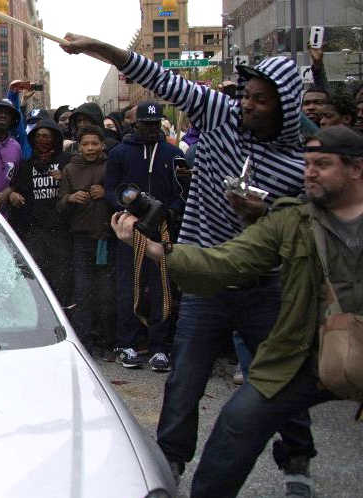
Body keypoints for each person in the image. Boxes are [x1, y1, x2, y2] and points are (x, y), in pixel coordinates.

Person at [60, 33, 317, 492]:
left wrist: (269, 212)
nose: (249, 106)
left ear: (286, 105)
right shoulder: (218, 114)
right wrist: (94, 47)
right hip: (203, 281)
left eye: (261, 99)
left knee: (283, 380)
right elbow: (153, 73)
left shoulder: (301, 163)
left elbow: (309, 226)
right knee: (184, 380)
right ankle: (171, 463)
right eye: (246, 96)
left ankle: (297, 462)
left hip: (266, 287)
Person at [111, 125, 363, 498]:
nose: (309, 172)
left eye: (322, 164)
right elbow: (224, 262)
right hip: (303, 355)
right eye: (307, 163)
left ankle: (298, 463)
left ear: (356, 168)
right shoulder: (291, 221)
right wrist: (147, 247)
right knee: (236, 425)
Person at [103, 100, 184, 371]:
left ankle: (160, 347)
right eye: (144, 124)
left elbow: (181, 194)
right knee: (129, 286)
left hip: (161, 231)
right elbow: (110, 190)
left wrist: (168, 213)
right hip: (130, 230)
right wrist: (126, 210)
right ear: (134, 124)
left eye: (154, 124)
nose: (149, 130)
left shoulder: (172, 154)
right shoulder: (119, 153)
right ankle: (127, 343)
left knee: (162, 287)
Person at [56, 126, 116, 355]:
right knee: (83, 291)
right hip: (81, 239)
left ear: (102, 145)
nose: (90, 148)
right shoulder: (70, 169)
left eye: (95, 143)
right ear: (78, 146)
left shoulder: (110, 166)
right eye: (85, 144)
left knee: (107, 292)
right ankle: (85, 341)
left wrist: (106, 193)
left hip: (106, 237)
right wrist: (71, 198)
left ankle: (107, 341)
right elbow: (59, 204)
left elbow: (122, 195)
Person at [7, 117, 72, 305]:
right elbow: (16, 188)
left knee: (61, 275)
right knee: (37, 274)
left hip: (61, 230)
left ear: (55, 139)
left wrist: (64, 179)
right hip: (35, 231)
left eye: (47, 136)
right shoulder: (26, 165)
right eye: (39, 136)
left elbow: (77, 186)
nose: (43, 140)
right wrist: (13, 196)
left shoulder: (66, 162)